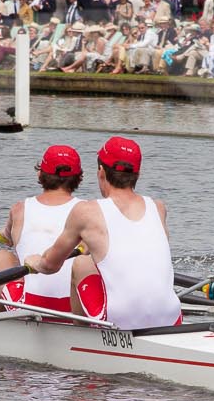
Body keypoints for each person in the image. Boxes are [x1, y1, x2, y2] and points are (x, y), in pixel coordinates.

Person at [30, 136, 180, 330]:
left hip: (120, 321)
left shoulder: (86, 211)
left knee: (81, 263)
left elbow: (50, 265)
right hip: (171, 317)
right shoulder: (158, 208)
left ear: (101, 171)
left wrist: (35, 262)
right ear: (138, 173)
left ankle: (79, 338)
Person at [0, 145, 86, 312]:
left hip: (28, 304)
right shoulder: (89, 211)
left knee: (3, 256)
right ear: (78, 178)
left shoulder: (19, 209)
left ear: (40, 174)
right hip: (73, 307)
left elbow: (7, 238)